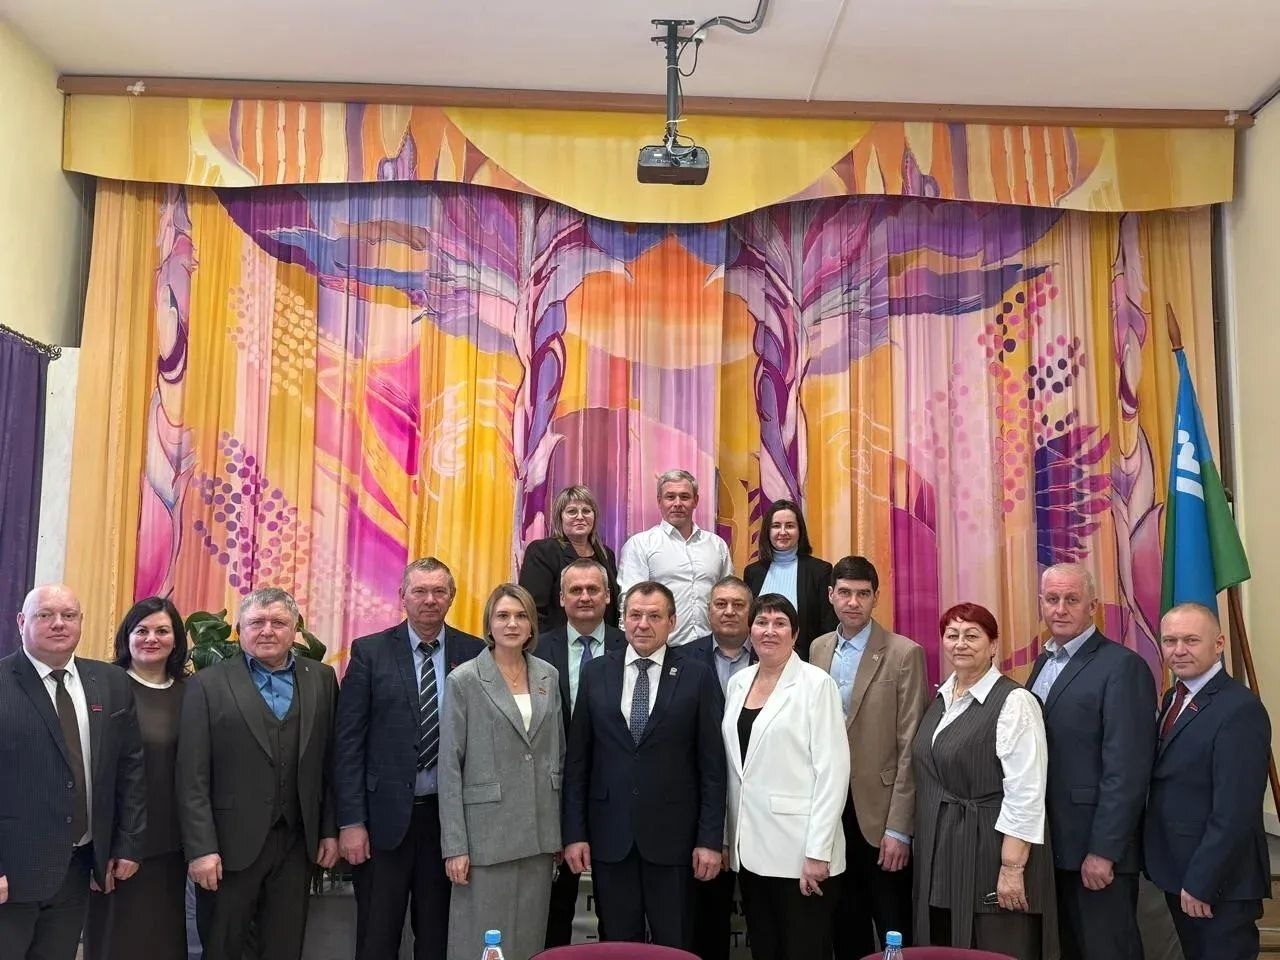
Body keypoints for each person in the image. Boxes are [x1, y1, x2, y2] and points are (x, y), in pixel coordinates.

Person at [334, 558, 486, 960]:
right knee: (377, 938)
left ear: (452, 597)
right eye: (420, 591)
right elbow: (348, 744)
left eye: (439, 591)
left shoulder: (475, 653)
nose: (429, 600)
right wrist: (351, 822)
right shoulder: (370, 652)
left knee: (437, 939)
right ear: (402, 597)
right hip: (381, 825)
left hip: (446, 825)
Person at [176, 587, 339, 960]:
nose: (267, 630)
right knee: (224, 948)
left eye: (278, 622)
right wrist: (201, 849)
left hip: (296, 843)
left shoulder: (322, 679)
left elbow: (330, 763)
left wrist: (329, 830)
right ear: (239, 629)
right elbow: (191, 776)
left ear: (295, 629)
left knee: (285, 947)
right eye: (256, 622)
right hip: (228, 848)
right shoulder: (206, 683)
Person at [562, 581, 726, 948]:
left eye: (654, 616)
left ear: (672, 621)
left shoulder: (697, 675)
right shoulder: (596, 673)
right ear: (622, 620)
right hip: (610, 838)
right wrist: (575, 833)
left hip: (675, 842)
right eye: (635, 615)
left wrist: (709, 840)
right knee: (618, 946)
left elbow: (712, 768)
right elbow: (578, 763)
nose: (643, 624)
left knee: (674, 944)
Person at [0, 584, 146, 960]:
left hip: (77, 868)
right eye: (45, 615)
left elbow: (130, 767)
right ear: (21, 622)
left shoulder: (111, 683)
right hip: (11, 874)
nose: (58, 624)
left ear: (82, 621)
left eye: (68, 615)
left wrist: (126, 844)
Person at [1025, 563, 1155, 960]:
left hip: (1095, 852)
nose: (1060, 609)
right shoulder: (1044, 663)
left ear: (1092, 606)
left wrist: (1104, 851)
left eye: (1071, 599)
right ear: (1041, 603)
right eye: (1052, 599)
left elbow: (1127, 771)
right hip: (1052, 846)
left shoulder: (1122, 667)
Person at [912, 603, 1056, 959]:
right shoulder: (941, 698)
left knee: (994, 946)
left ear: (993, 645)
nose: (960, 643)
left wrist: (1011, 868)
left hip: (992, 852)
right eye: (952, 635)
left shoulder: (1015, 702)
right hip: (945, 853)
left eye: (972, 635)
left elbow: (1026, 792)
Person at [809, 555, 927, 955]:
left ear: (876, 597)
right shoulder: (818, 648)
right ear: (831, 595)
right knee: (844, 926)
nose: (853, 602)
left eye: (862, 594)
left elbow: (910, 745)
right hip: (831, 813)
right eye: (845, 592)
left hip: (881, 816)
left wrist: (899, 829)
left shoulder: (904, 653)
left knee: (893, 927)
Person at [721, 593, 849, 960]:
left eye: (780, 624)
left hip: (800, 854)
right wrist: (729, 838)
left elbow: (833, 772)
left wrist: (818, 852)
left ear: (795, 634)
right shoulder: (738, 683)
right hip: (750, 849)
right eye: (761, 622)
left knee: (803, 951)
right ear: (750, 631)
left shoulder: (816, 684)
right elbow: (736, 770)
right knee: (765, 949)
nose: (769, 631)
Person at [439, 584, 564, 960]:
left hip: (539, 834)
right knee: (480, 943)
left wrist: (557, 830)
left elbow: (556, 753)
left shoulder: (548, 676)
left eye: (521, 615)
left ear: (532, 625)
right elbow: (449, 768)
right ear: (489, 624)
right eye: (503, 616)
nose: (512, 623)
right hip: (485, 838)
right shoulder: (464, 679)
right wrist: (455, 847)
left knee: (528, 940)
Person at [1143, 602, 1270, 960]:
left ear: (1219, 643)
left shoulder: (1239, 709)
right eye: (1169, 641)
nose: (1178, 650)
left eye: (1191, 640)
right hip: (1179, 871)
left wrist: (1202, 880)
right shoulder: (1174, 696)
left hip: (1217, 883)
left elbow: (1236, 810)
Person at [84, 597, 189, 960]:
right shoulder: (104, 688)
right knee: (115, 941)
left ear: (176, 639)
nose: (151, 638)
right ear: (126, 637)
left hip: (171, 845)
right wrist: (107, 846)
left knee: (164, 941)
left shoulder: (192, 693)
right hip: (116, 842)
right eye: (141, 630)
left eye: (162, 631)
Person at [536, 559, 626, 947]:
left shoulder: (633, 645)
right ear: (561, 598)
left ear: (608, 596)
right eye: (576, 590)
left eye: (593, 589)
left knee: (617, 915)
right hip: (552, 795)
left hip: (616, 797)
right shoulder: (536, 648)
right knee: (552, 913)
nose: (585, 597)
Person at [681, 576, 756, 960]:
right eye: (720, 604)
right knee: (705, 923)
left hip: (759, 810)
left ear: (751, 611)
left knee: (766, 922)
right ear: (708, 610)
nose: (729, 612)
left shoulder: (772, 655)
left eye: (738, 605)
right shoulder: (681, 658)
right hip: (699, 809)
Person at [617, 470, 733, 646]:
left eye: (684, 497)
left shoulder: (717, 545)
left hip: (710, 648)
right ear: (659, 501)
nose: (677, 503)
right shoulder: (640, 545)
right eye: (670, 497)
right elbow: (630, 601)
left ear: (696, 501)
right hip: (662, 649)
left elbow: (728, 595)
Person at [742, 499, 836, 660]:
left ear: (800, 530)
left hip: (805, 664)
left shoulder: (820, 571)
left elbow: (828, 628)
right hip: (760, 662)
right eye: (776, 526)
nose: (783, 531)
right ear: (767, 531)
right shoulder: (753, 572)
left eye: (790, 526)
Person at [519, 485, 621, 631]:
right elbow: (532, 609)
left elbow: (612, 607)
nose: (580, 517)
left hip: (604, 640)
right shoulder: (543, 552)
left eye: (586, 511)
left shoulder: (606, 554)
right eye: (572, 511)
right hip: (556, 641)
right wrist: (547, 642)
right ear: (560, 517)